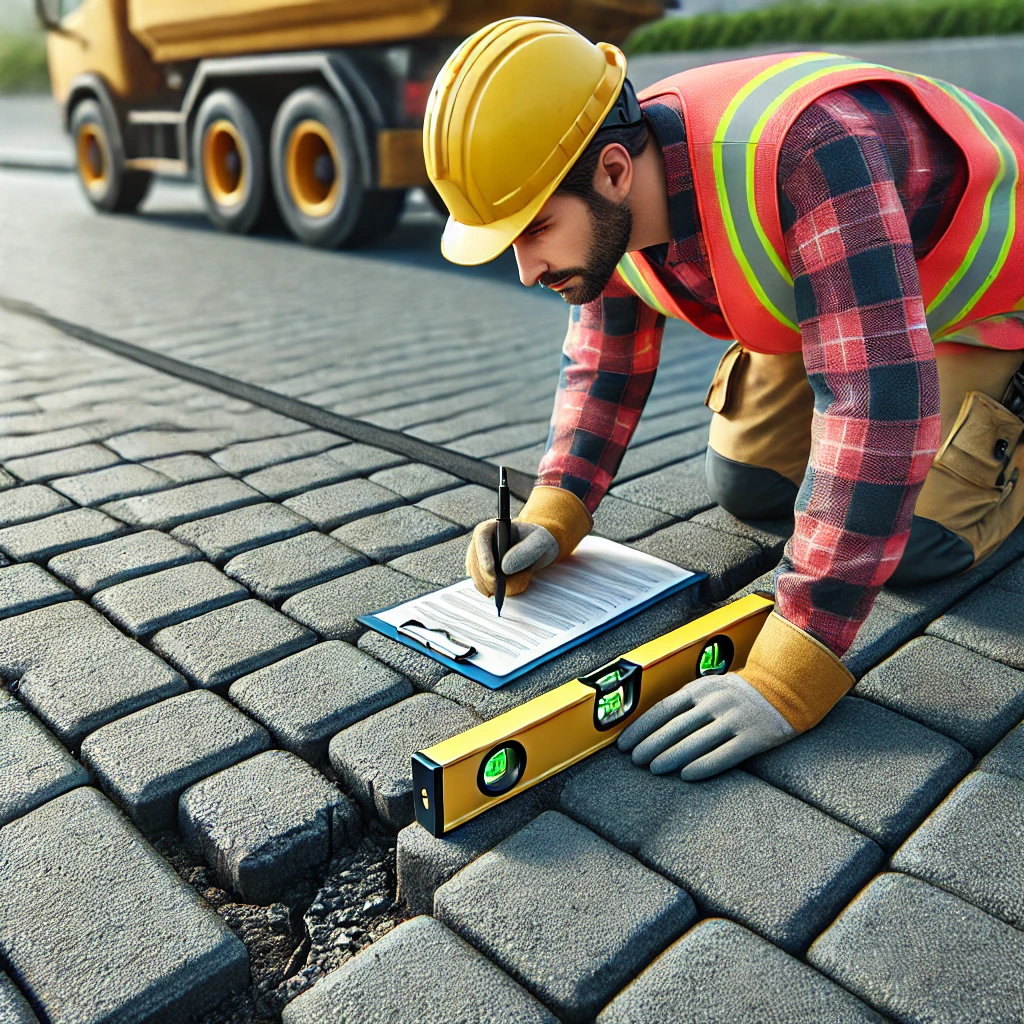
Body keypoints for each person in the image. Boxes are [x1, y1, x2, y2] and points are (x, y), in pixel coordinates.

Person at [423, 17, 1024, 780]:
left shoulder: (809, 153)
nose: (525, 269)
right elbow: (603, 367)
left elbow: (878, 401)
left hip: (980, 309)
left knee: (914, 545)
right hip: (851, 305)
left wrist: (790, 668)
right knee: (747, 486)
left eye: (536, 228)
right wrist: (555, 510)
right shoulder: (609, 206)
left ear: (612, 171)